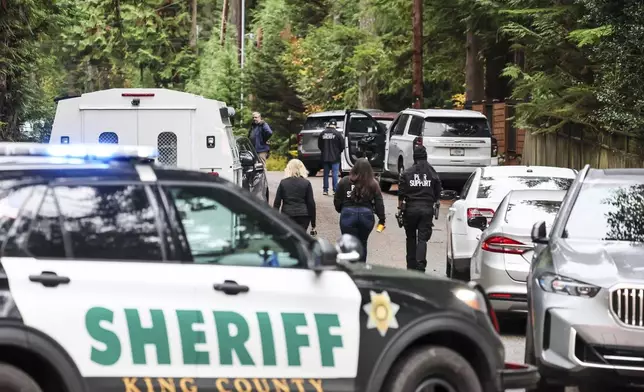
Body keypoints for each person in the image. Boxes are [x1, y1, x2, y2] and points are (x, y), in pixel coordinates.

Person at [398, 145, 442, 272]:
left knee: (410, 237)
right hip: (427, 209)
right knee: (422, 239)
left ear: (414, 157)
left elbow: (401, 193)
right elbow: (438, 189)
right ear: (426, 156)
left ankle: (411, 265)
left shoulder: (407, 172)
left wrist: (400, 209)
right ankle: (420, 265)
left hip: (410, 209)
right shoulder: (432, 172)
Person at [334, 158, 385, 262]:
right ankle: (361, 269)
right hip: (366, 216)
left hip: (347, 214)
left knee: (348, 244)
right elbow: (379, 202)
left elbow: (337, 199)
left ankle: (349, 269)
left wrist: (341, 209)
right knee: (363, 243)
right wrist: (382, 219)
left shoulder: (344, 181)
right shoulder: (373, 183)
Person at [273, 159, 317, 234]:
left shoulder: (283, 183)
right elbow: (311, 203)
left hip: (287, 215)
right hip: (303, 216)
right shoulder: (306, 183)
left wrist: (274, 219)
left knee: (290, 238)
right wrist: (313, 223)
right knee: (301, 238)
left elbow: (277, 203)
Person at [317, 118, 345, 196]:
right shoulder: (338, 134)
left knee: (325, 174)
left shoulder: (323, 133)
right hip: (335, 158)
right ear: (335, 125)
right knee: (335, 174)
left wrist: (324, 151)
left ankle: (325, 190)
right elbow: (342, 145)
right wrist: (338, 152)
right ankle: (335, 190)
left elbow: (320, 145)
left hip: (325, 157)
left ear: (329, 124)